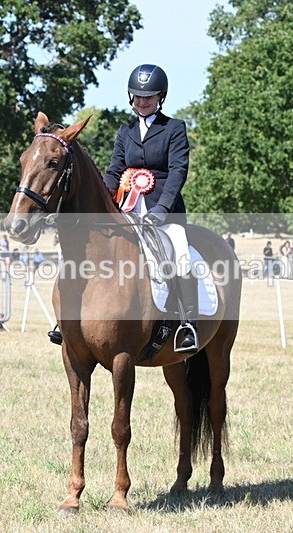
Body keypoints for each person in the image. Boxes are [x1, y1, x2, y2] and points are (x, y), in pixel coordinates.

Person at [102, 63, 198, 353]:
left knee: (179, 253)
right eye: (138, 96)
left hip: (162, 210)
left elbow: (178, 171)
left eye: (149, 97)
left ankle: (186, 323)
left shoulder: (174, 129)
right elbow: (114, 169)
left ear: (161, 97)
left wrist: (162, 209)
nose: (143, 101)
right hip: (126, 209)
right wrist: (104, 196)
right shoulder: (125, 131)